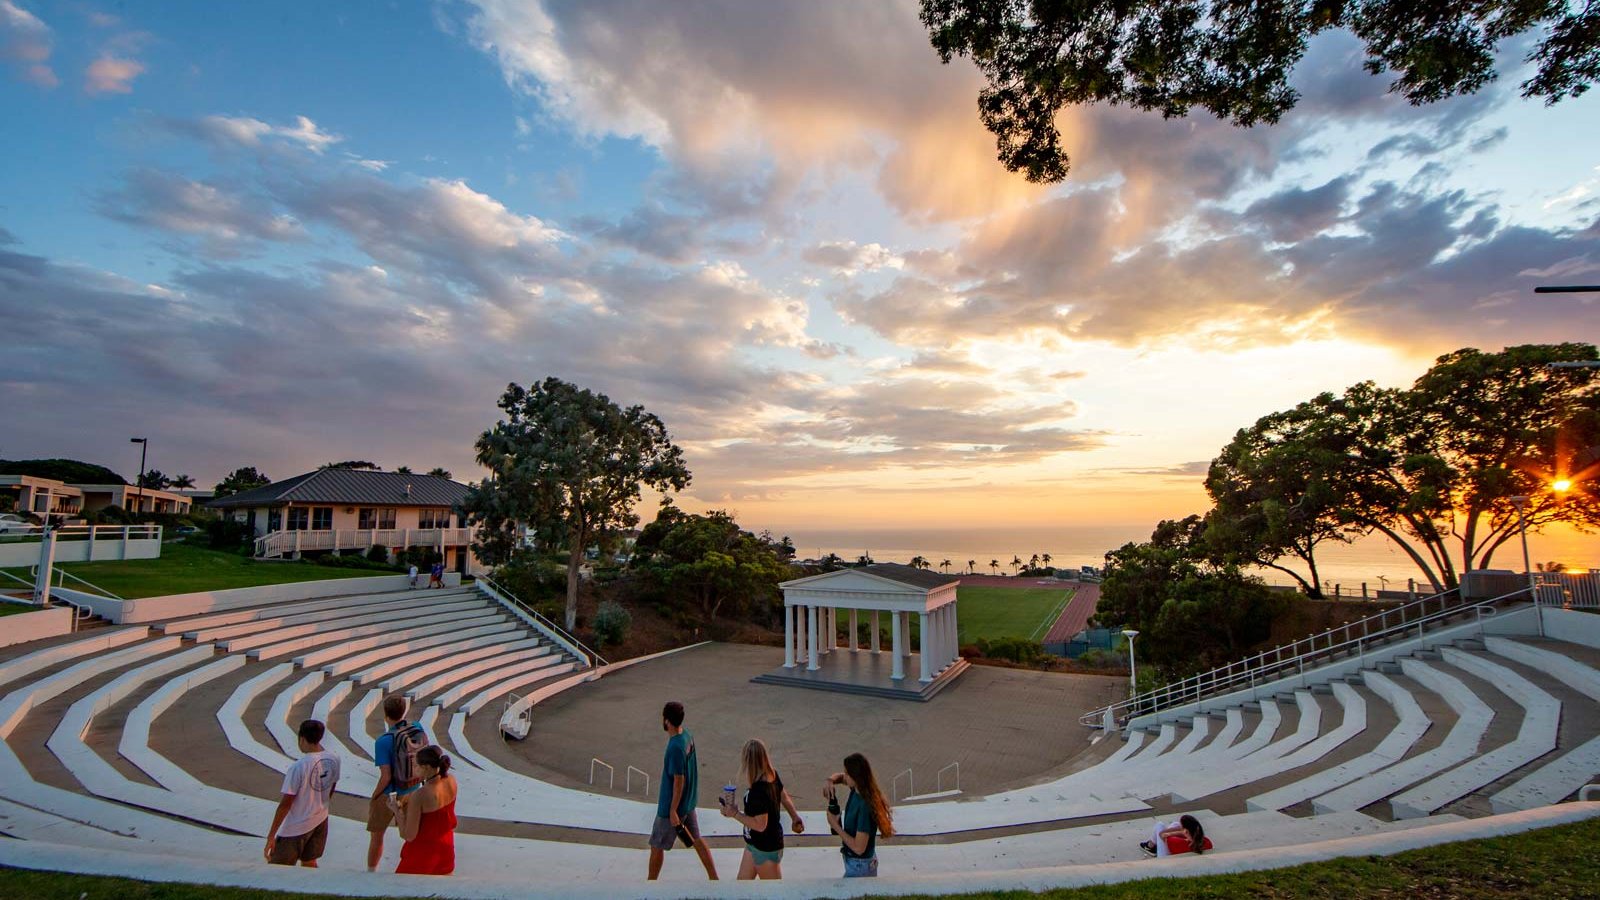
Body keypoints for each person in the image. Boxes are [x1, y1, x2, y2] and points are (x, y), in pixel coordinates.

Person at [647, 701, 718, 881]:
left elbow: (679, 781)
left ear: (667, 721)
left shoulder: (675, 748)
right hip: (688, 803)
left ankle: (650, 883)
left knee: (656, 846)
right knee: (696, 839)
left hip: (672, 807)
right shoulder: (687, 736)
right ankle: (714, 878)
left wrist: (672, 811)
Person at [264, 719, 341, 867]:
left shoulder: (298, 767)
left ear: (302, 738)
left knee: (279, 866)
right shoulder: (334, 759)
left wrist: (271, 836)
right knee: (309, 860)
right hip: (320, 819)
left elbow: (285, 804)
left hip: (296, 826)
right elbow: (332, 785)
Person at [367, 695, 427, 871]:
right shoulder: (417, 727)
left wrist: (375, 796)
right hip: (413, 788)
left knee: (377, 836)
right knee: (412, 834)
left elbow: (385, 776)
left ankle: (371, 872)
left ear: (385, 716)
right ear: (404, 711)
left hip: (390, 794)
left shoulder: (383, 741)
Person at [718, 739, 785, 880]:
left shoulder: (758, 791)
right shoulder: (772, 775)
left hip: (765, 848)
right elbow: (784, 796)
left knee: (774, 893)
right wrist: (795, 817)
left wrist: (735, 814)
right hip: (753, 845)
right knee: (742, 886)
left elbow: (760, 825)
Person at [824, 752, 893, 878]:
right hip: (859, 863)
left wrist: (834, 825)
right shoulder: (858, 789)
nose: (844, 776)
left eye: (847, 773)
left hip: (860, 866)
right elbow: (840, 777)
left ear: (855, 777)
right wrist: (830, 781)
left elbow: (859, 848)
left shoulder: (864, 806)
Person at [391, 745, 458, 875]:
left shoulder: (420, 795)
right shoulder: (451, 780)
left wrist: (397, 810)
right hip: (446, 850)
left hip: (422, 856)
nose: (413, 770)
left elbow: (409, 835)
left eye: (416, 766)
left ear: (426, 767)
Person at [1140, 814, 1209, 857]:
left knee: (1159, 825)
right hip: (1184, 851)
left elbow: (1162, 834)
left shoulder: (1176, 842)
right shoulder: (1206, 841)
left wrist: (1174, 833)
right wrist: (1182, 830)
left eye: (1182, 827)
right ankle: (1151, 845)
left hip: (1167, 858)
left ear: (1186, 831)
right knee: (1176, 824)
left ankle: (1150, 846)